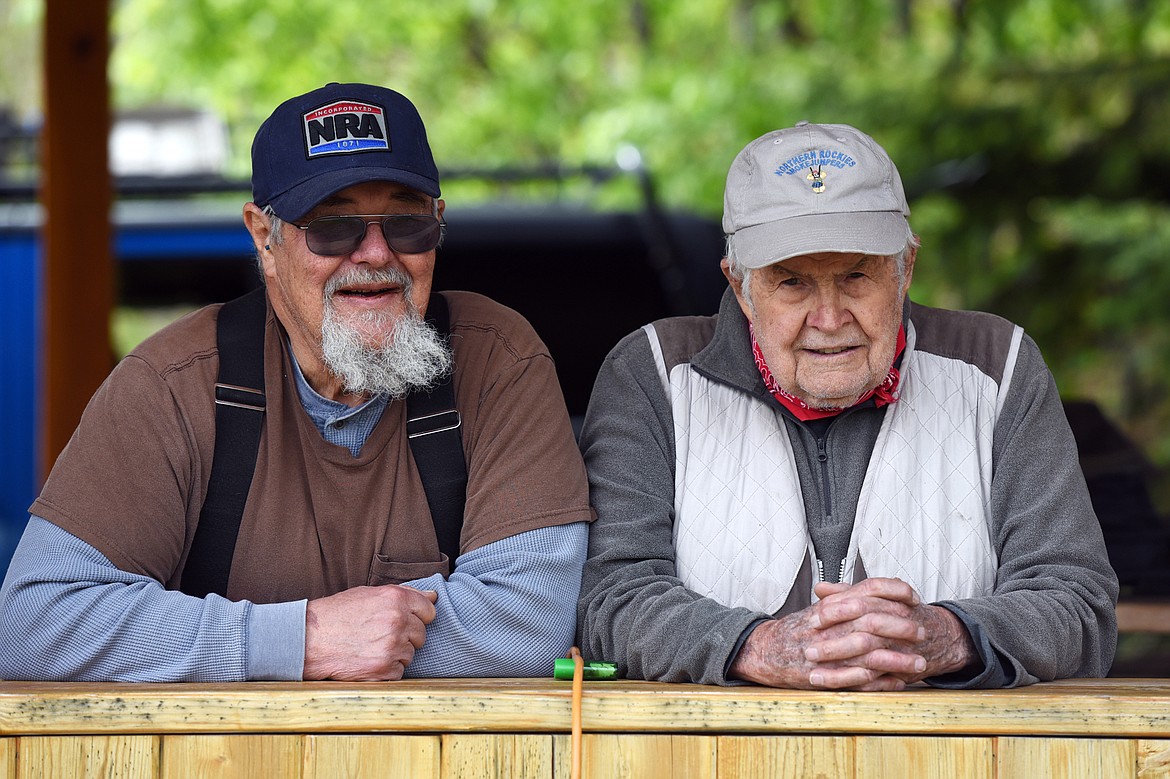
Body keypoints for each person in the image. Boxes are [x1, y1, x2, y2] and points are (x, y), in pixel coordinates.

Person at [0, 83, 594, 682]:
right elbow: (32, 625)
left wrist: (214, 646)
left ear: (437, 226)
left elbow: (532, 624)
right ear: (266, 239)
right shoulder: (173, 385)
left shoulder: (497, 360)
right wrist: (300, 641)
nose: (375, 253)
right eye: (333, 225)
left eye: (407, 221)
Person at [576, 121, 1118, 690]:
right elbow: (609, 598)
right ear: (739, 286)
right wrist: (756, 647)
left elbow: (1078, 603)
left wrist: (946, 636)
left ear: (906, 270)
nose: (830, 319)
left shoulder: (998, 367)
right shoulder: (654, 374)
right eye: (792, 284)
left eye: (857, 275)